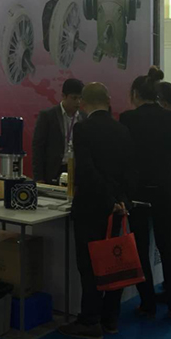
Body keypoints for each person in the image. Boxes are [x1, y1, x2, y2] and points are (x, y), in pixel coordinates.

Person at [59, 83, 134, 339]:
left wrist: (108, 199)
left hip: (92, 208)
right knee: (114, 263)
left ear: (83, 103)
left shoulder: (83, 129)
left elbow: (86, 171)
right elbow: (129, 171)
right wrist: (120, 199)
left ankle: (90, 320)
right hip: (117, 210)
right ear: (108, 100)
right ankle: (110, 319)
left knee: (89, 267)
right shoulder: (122, 130)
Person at [120, 67, 171, 318]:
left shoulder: (127, 119)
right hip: (166, 190)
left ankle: (147, 302)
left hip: (138, 192)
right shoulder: (168, 117)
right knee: (167, 247)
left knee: (140, 248)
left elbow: (124, 157)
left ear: (135, 94)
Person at [33, 78, 85, 185]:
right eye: (74, 98)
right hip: (54, 170)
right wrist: (38, 177)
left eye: (80, 98)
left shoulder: (84, 118)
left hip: (76, 171)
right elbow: (38, 148)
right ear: (64, 96)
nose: (78, 102)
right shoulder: (48, 116)